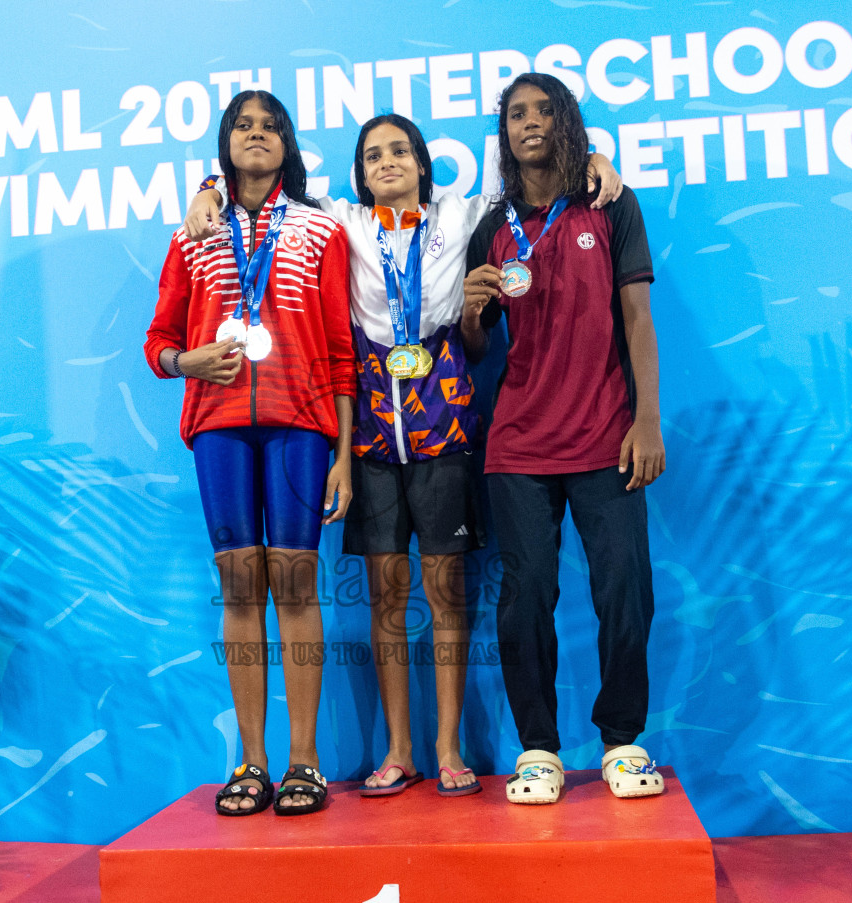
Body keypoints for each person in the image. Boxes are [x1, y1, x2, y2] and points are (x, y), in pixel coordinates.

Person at [185, 114, 623, 798]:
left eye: (399, 151)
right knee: (388, 597)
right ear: (359, 174)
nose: (386, 162)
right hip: (370, 432)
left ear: (424, 164)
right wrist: (210, 186)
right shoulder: (339, 221)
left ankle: (449, 748)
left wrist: (593, 157)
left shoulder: (467, 210)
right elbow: (257, 190)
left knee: (448, 594)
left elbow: (536, 182)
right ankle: (398, 750)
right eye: (372, 155)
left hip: (445, 421)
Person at [144, 91, 355, 816]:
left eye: (270, 127)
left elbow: (338, 348)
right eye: (243, 126)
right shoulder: (192, 233)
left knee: (295, 585)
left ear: (288, 145)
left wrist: (344, 454)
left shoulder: (321, 231)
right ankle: (251, 762)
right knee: (240, 588)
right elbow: (157, 339)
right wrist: (186, 362)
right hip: (219, 426)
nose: (256, 136)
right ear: (224, 144)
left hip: (301, 424)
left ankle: (305, 762)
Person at [461, 72, 666, 805]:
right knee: (524, 599)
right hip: (518, 443)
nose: (530, 123)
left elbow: (638, 319)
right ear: (504, 134)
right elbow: (478, 351)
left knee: (625, 589)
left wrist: (647, 420)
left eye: (545, 110)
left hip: (608, 433)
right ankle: (539, 749)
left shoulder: (609, 203)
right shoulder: (490, 227)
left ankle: (621, 741)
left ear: (567, 122)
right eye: (516, 114)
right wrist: (472, 313)